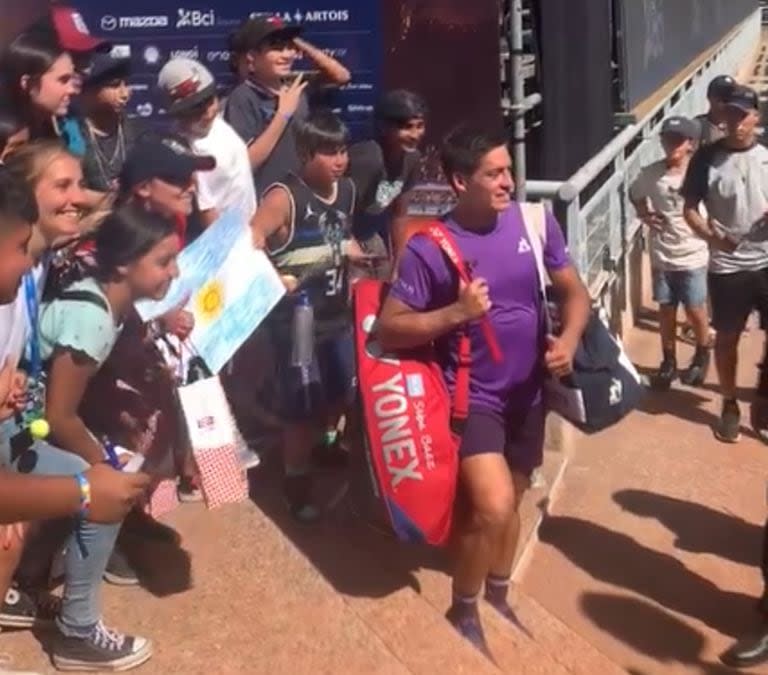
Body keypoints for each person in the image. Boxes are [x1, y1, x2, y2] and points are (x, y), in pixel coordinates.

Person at [376, 124, 590, 654]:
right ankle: (462, 603)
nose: (508, 182)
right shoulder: (430, 249)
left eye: (508, 170)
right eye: (493, 173)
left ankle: (497, 591)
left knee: (514, 499)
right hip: (473, 397)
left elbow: (575, 293)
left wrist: (568, 338)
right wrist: (456, 312)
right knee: (492, 508)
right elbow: (389, 327)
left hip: (530, 393)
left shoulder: (535, 223)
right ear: (457, 181)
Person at [1, 142, 152, 671]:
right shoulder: (14, 269)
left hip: (15, 420)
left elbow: (97, 209)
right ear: (24, 194)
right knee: (91, 486)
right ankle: (74, 629)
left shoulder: (31, 261)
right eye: (61, 187)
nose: (76, 199)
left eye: (79, 184)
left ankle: (35, 589)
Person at [251, 111, 360, 521]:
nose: (339, 160)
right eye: (329, 152)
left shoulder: (347, 190)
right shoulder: (283, 197)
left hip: (338, 316)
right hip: (296, 321)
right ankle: (296, 485)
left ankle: (328, 445)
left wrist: (355, 255)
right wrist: (275, 276)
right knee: (301, 404)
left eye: (343, 150)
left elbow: (340, 239)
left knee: (340, 393)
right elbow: (250, 242)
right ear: (304, 153)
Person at [682, 84, 768, 443]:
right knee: (728, 339)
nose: (736, 122)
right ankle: (730, 403)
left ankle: (763, 390)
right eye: (730, 114)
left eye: (742, 115)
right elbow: (689, 209)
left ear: (756, 117)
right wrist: (713, 238)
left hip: (767, 262)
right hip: (728, 269)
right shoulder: (706, 158)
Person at [225, 14, 350, 196]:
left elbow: (341, 76)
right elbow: (246, 163)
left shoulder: (296, 85)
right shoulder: (243, 97)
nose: (287, 55)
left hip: (302, 200)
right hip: (266, 202)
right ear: (252, 57)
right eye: (276, 47)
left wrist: (298, 43)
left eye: (289, 47)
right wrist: (283, 114)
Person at [630, 116, 710, 390]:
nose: (671, 145)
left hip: (694, 253)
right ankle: (668, 362)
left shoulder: (702, 173)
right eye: (667, 139)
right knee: (666, 309)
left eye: (678, 140)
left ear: (690, 144)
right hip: (663, 255)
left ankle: (702, 354)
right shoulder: (651, 174)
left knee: (695, 309)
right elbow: (634, 193)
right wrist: (644, 215)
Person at [157, 57, 257, 228]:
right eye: (196, 109)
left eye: (210, 101)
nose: (208, 112)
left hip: (250, 226)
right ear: (178, 113)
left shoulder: (216, 123)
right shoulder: (188, 149)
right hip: (224, 238)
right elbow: (207, 210)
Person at [348, 89, 427, 267]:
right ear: (384, 127)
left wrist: (398, 265)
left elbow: (399, 215)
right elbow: (336, 210)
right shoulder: (368, 159)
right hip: (341, 238)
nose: (415, 135)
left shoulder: (412, 158)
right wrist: (350, 247)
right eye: (407, 127)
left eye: (419, 126)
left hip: (371, 237)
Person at [0, 30, 81, 152]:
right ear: (28, 83)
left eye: (71, 79)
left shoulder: (61, 128)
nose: (72, 90)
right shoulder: (7, 139)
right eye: (63, 80)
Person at [78, 53, 141, 197]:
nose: (124, 94)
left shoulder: (139, 132)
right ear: (89, 90)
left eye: (126, 84)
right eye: (114, 85)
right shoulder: (70, 135)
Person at [694, 74, 736, 147]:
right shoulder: (696, 128)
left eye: (731, 98)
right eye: (721, 99)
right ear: (709, 97)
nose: (727, 103)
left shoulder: (739, 126)